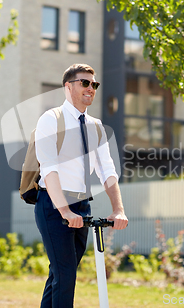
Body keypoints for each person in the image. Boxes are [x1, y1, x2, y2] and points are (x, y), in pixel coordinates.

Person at [34, 63, 128, 308]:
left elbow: (106, 169)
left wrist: (118, 209)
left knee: (60, 272)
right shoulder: (51, 119)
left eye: (94, 84)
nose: (91, 88)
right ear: (68, 86)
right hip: (54, 205)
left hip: (82, 204)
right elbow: (49, 169)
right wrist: (65, 211)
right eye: (84, 83)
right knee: (65, 273)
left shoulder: (96, 126)